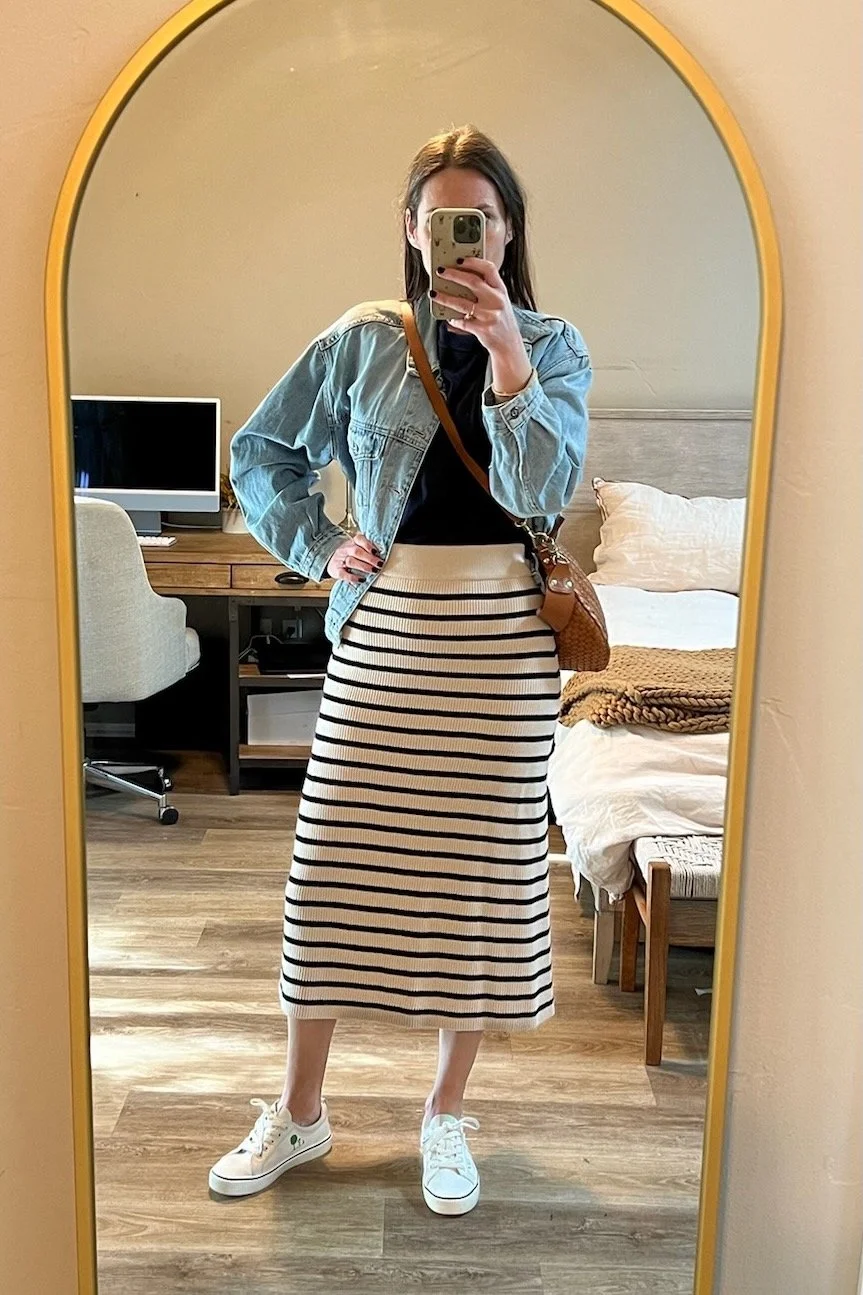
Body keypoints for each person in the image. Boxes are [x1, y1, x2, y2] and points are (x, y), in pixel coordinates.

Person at [210, 125, 592, 1215]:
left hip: (504, 650)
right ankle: (300, 1110)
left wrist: (509, 359)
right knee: (328, 873)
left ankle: (443, 1113)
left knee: (477, 886)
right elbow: (259, 452)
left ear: (508, 230)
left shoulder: (555, 347)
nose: (461, 235)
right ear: (412, 230)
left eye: (481, 217)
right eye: (440, 218)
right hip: (383, 633)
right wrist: (317, 540)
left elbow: (539, 495)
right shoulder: (362, 338)